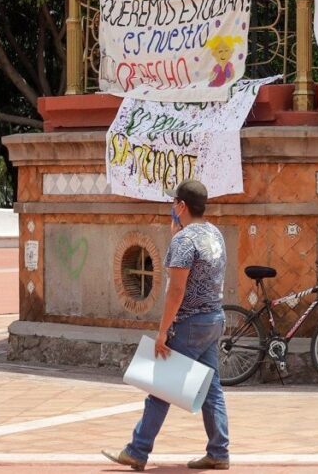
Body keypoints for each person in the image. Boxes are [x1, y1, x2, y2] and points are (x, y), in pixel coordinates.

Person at [102, 179, 230, 471]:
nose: (172, 208)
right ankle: (219, 451)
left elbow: (176, 290)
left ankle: (137, 450)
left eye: (174, 203)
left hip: (189, 323)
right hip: (214, 319)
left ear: (182, 206)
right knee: (211, 389)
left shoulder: (183, 241)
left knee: (162, 387)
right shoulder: (214, 234)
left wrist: (162, 332)